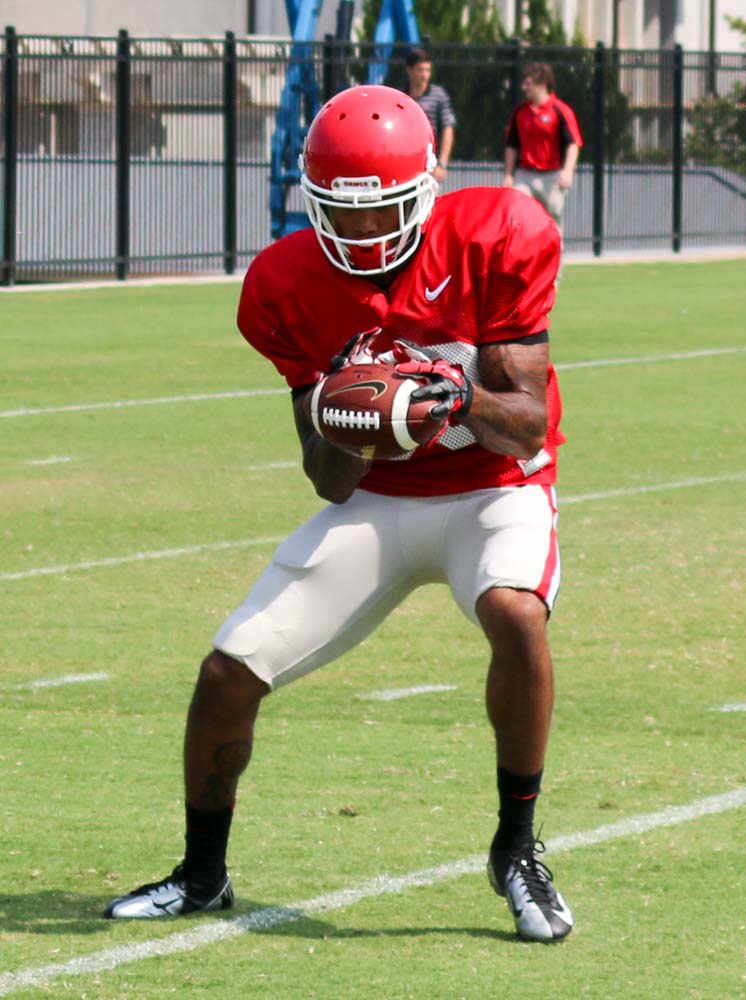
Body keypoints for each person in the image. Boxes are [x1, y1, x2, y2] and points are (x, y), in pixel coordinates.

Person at [104, 84, 574, 943]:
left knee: (515, 615)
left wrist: (451, 396)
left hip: (494, 493)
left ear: (423, 191)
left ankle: (517, 847)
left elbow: (527, 425)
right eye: (341, 215)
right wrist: (355, 419)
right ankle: (202, 875)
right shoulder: (285, 282)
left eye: (381, 213)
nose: (361, 234)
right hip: (379, 500)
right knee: (227, 671)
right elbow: (325, 478)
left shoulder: (496, 234)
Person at [503, 62, 583, 231]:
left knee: (552, 220)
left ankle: (554, 254)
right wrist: (509, 174)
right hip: (525, 174)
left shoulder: (560, 110)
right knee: (518, 213)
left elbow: (573, 144)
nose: (524, 87)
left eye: (529, 83)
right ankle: (523, 255)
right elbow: (511, 145)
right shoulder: (520, 112)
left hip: (552, 176)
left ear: (542, 84)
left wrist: (568, 172)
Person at [404, 46, 456, 185]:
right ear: (409, 70)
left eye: (427, 70)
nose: (424, 75)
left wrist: (443, 163)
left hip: (430, 163)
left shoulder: (439, 95)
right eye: (420, 70)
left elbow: (447, 128)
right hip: (405, 162)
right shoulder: (401, 97)